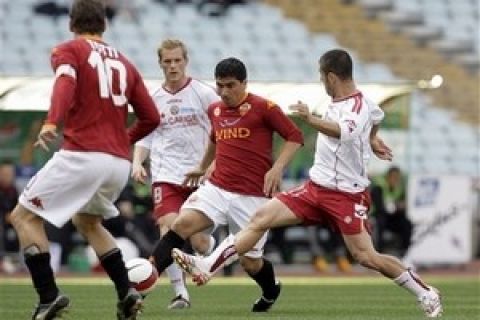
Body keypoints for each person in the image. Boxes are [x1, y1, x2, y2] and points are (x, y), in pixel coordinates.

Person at [171, 49, 443, 318]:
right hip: (315, 188)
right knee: (260, 218)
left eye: (322, 77)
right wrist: (372, 138)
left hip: (346, 196)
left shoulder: (356, 106)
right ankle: (208, 265)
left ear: (331, 77)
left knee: (366, 256)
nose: (322, 82)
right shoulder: (351, 103)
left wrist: (311, 119)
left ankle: (426, 292)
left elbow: (344, 132)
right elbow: (377, 117)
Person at [9, 1, 160, 319]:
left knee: (23, 218)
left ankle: (48, 296)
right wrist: (122, 141)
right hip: (117, 163)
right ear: (104, 25)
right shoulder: (127, 64)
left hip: (83, 154)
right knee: (87, 222)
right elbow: (151, 117)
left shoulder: (69, 50)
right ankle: (126, 292)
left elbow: (65, 83)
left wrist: (52, 122)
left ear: (71, 23)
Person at [149, 57, 304, 312]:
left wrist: (277, 168)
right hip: (218, 188)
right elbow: (214, 138)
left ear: (244, 83)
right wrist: (202, 166)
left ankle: (270, 289)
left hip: (253, 196)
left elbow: (295, 136)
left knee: (250, 263)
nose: (224, 92)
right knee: (181, 224)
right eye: (220, 85)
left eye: (230, 85)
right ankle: (146, 275)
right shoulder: (216, 109)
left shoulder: (264, 107)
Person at [131, 39, 219, 309]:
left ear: (185, 61)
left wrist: (212, 166)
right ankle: (180, 293)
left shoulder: (204, 94)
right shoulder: (153, 99)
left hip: (200, 176)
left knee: (199, 242)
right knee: (168, 228)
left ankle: (208, 248)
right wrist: (137, 162)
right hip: (166, 175)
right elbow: (145, 137)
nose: (172, 66)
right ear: (160, 63)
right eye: (167, 61)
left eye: (177, 60)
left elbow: (222, 131)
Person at [371, 166, 412, 257]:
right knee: (380, 222)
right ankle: (378, 252)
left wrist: (399, 206)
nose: (395, 180)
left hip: (392, 217)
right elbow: (379, 207)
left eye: (397, 178)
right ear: (388, 177)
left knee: (406, 223)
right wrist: (394, 206)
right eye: (393, 177)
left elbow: (403, 204)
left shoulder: (400, 188)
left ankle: (404, 252)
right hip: (377, 215)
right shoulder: (379, 186)